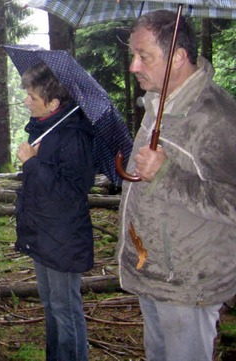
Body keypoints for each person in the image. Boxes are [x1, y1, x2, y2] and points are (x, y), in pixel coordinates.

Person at [117, 10, 236, 361]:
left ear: (178, 57)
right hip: (154, 273)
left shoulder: (214, 118)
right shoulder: (158, 104)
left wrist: (166, 175)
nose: (133, 67)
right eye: (133, 56)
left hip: (189, 282)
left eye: (144, 57)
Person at [14, 62, 95, 361]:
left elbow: (72, 192)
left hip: (63, 235)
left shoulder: (74, 136)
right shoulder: (44, 128)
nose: (26, 101)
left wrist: (32, 164)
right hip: (43, 231)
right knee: (50, 304)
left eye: (32, 97)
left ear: (54, 103)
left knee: (65, 308)